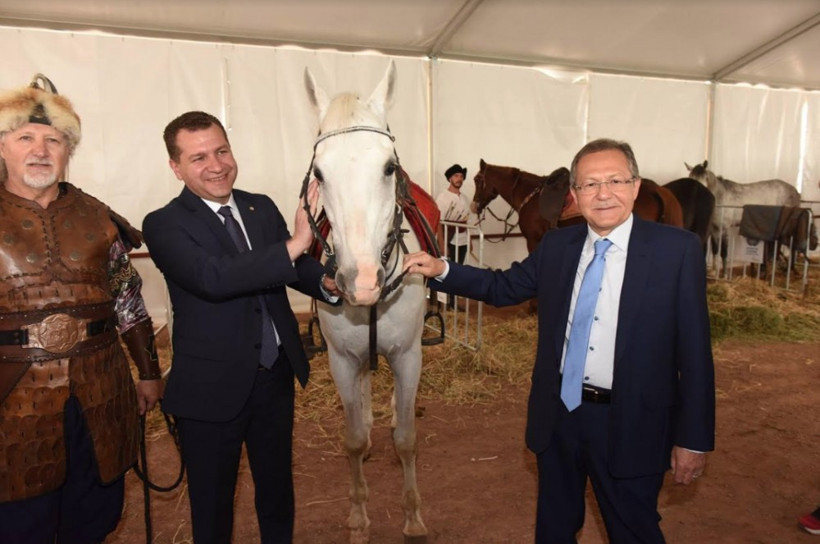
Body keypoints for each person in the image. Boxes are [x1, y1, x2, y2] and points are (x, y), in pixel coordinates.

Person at [404, 138, 715, 543]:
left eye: (615, 181)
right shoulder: (558, 245)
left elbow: (695, 354)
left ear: (636, 187)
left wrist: (693, 438)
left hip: (633, 422)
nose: (603, 194)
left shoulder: (677, 251)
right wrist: (441, 268)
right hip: (560, 418)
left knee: (633, 530)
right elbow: (503, 287)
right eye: (589, 184)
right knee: (553, 529)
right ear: (574, 195)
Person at [142, 111, 340, 544]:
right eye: (198, 158)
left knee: (276, 493)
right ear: (175, 167)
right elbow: (213, 278)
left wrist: (327, 281)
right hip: (211, 389)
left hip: (274, 377)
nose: (216, 165)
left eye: (222, 150)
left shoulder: (260, 206)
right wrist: (297, 244)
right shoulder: (163, 223)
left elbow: (294, 267)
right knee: (212, 507)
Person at [0, 76, 163, 543]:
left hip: (100, 387)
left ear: (68, 149)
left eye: (54, 139)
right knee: (20, 521)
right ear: (3, 146)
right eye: (25, 138)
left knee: (94, 514)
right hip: (11, 396)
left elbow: (127, 299)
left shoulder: (97, 217)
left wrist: (149, 372)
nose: (40, 150)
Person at [435, 163, 471, 309]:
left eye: (461, 176)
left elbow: (466, 221)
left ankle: (453, 302)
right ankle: (445, 303)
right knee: (447, 271)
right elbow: (439, 223)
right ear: (450, 178)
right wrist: (442, 245)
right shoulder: (442, 197)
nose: (459, 179)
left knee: (458, 271)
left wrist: (470, 239)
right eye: (456, 176)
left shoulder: (465, 198)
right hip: (449, 240)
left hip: (462, 241)